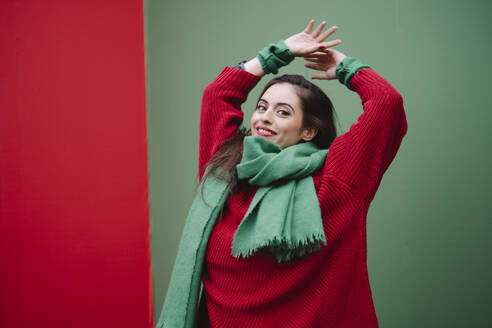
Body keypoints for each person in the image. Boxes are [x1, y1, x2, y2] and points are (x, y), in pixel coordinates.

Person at [157, 19, 408, 328]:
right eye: (262, 107)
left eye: (283, 112)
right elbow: (217, 95)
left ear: (308, 131)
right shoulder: (226, 168)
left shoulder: (337, 179)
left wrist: (342, 66)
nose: (264, 118)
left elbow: (387, 105)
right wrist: (277, 53)